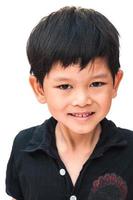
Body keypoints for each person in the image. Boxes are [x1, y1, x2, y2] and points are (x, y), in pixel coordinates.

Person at [6, 6, 133, 200]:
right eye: (65, 86)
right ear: (39, 88)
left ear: (115, 83)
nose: (82, 100)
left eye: (96, 83)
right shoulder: (23, 147)